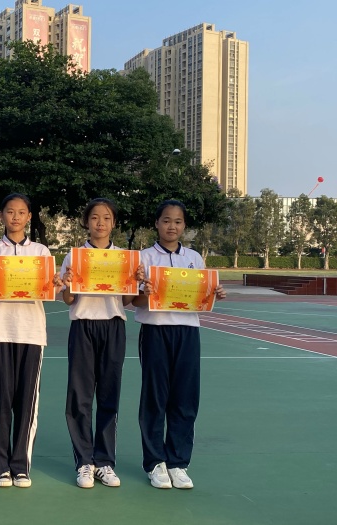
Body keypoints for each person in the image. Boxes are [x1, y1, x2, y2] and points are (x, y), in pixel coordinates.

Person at [131, 199, 226, 490]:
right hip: (155, 331)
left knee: (185, 398)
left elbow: (200, 297)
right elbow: (134, 301)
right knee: (155, 398)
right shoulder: (143, 258)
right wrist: (146, 292)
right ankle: (155, 462)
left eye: (177, 221)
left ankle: (178, 463)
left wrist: (214, 293)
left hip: (188, 332)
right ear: (156, 223)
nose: (171, 226)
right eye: (166, 220)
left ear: (184, 226)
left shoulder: (194, 259)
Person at [0, 193, 62, 489]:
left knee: (27, 402)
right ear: (1, 215)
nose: (15, 217)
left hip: (32, 333)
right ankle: (1, 467)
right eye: (10, 212)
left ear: (29, 217)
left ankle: (20, 466)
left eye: (21, 212)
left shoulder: (41, 252)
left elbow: (49, 293)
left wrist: (55, 285)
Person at [60, 198, 143, 489]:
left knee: (109, 395)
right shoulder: (75, 256)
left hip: (113, 326)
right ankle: (84, 461)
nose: (100, 223)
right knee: (80, 396)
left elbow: (128, 301)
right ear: (86, 221)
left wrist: (135, 281)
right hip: (83, 326)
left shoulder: (124, 258)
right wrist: (69, 282)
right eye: (95, 217)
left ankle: (105, 461)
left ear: (114, 223)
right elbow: (68, 299)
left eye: (106, 218)